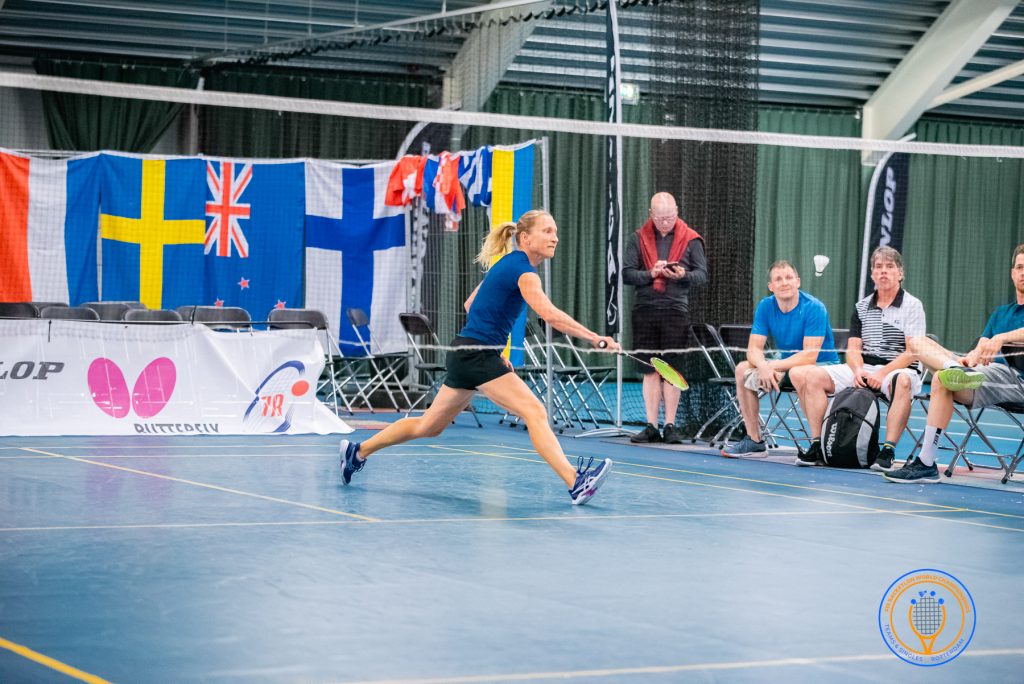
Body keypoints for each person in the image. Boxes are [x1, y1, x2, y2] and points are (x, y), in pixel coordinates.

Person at [339, 209, 620, 505]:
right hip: (477, 355)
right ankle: (575, 482)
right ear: (525, 238)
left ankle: (357, 452)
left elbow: (470, 303)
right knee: (535, 412)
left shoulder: (505, 264)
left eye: (556, 232)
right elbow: (549, 315)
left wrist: (497, 348)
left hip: (465, 352)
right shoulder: (524, 271)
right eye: (547, 231)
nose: (555, 238)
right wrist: (596, 338)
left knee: (428, 426)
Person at [885, 244, 1024, 483]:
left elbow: (999, 340)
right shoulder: (1001, 313)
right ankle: (926, 463)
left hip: (1016, 381)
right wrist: (971, 358)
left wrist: (1001, 338)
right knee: (922, 348)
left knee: (947, 377)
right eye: (1020, 267)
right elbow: (980, 347)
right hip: (983, 373)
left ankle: (957, 371)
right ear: (1012, 273)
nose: (1023, 272)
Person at [789, 246, 926, 468]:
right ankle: (819, 445)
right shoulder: (862, 307)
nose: (883, 271)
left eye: (889, 267)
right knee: (812, 376)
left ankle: (887, 451)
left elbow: (913, 352)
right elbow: (853, 349)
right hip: (865, 367)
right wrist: (858, 370)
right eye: (878, 267)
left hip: (899, 369)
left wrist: (882, 373)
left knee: (902, 381)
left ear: (900, 273)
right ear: (872, 274)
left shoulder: (912, 305)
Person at [721, 260, 840, 457]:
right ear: (771, 286)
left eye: (788, 278)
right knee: (742, 369)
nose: (784, 283)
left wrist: (774, 365)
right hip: (784, 366)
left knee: (799, 372)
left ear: (797, 281)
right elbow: (753, 350)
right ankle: (754, 441)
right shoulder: (765, 306)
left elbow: (810, 356)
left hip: (821, 366)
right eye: (778, 279)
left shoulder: (814, 307)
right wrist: (763, 366)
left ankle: (819, 446)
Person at [623, 192, 707, 444]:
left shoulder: (691, 239)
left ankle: (670, 425)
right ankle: (651, 425)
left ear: (677, 212)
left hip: (675, 311)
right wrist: (651, 273)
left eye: (669, 217)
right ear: (651, 215)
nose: (665, 223)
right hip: (645, 310)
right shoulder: (637, 238)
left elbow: (702, 275)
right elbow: (627, 274)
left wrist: (682, 275)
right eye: (660, 218)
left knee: (671, 370)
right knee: (649, 369)